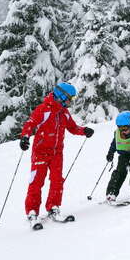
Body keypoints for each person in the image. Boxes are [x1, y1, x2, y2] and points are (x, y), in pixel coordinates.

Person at [20, 82, 94, 226]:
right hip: (41, 152)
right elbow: (30, 124)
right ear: (61, 95)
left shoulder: (63, 112)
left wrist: (84, 131)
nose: (70, 101)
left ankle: (53, 207)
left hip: (56, 153)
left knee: (57, 181)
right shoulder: (44, 109)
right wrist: (25, 137)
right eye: (69, 98)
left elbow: (72, 127)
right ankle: (32, 212)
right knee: (36, 182)